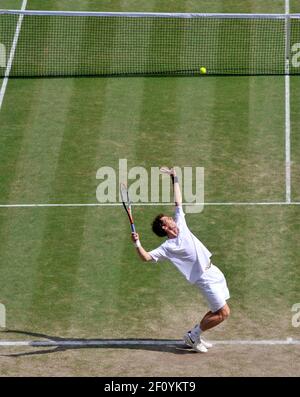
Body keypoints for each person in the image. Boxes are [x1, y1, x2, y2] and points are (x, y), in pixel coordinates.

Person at [131, 167, 230, 353]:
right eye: (167, 219)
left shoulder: (181, 223)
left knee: (217, 310)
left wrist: (174, 177)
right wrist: (137, 243)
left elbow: (178, 201)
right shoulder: (168, 248)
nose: (171, 217)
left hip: (213, 270)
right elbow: (146, 257)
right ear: (164, 227)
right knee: (224, 313)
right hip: (204, 279)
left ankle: (195, 334)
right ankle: (193, 336)